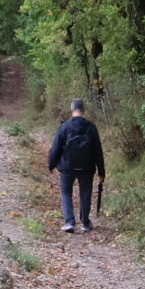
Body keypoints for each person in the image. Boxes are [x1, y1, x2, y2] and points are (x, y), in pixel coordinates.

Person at [47, 98, 106, 234]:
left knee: (66, 193)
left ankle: (69, 222)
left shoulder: (64, 127)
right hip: (87, 168)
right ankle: (85, 223)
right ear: (83, 110)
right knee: (85, 193)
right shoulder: (91, 127)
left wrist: (51, 164)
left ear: (71, 110)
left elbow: (56, 148)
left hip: (67, 167)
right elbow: (98, 151)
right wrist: (101, 171)